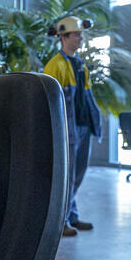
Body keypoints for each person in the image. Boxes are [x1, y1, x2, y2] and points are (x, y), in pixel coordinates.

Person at [43, 16, 102, 237]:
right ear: (64, 37)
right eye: (77, 35)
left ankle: (72, 215)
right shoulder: (55, 65)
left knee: (78, 174)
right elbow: (49, 102)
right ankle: (62, 221)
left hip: (83, 126)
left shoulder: (80, 65)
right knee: (68, 177)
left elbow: (86, 98)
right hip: (68, 131)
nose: (80, 38)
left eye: (80, 34)